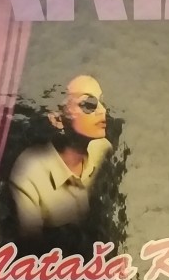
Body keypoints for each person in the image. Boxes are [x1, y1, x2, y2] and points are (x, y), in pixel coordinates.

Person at [9, 74, 112, 235]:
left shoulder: (103, 150)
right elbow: (31, 243)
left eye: (102, 102)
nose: (103, 111)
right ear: (57, 119)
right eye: (89, 104)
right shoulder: (29, 172)